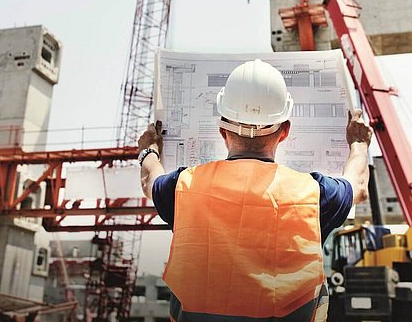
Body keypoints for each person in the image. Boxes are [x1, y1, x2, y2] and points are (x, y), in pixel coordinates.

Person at [138, 59, 372, 321]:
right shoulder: (314, 193)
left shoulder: (184, 187)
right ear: (284, 131)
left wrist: (149, 149)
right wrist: (359, 143)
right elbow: (359, 186)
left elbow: (150, 180)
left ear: (222, 130)